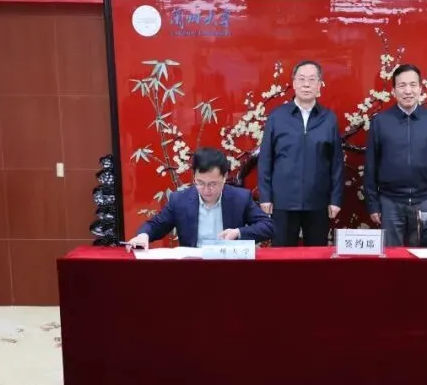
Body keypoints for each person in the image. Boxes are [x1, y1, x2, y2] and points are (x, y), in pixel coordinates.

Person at [258, 60, 344, 246]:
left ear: (319, 85)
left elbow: (336, 163)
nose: (306, 84)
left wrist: (335, 199)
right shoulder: (277, 116)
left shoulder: (329, 118)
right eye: (302, 79)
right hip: (283, 201)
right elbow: (265, 159)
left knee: (317, 255)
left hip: (318, 201)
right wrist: (265, 196)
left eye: (312, 80)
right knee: (282, 256)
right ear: (294, 83)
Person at [364, 64, 427, 246]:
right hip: (390, 201)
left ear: (420, 88)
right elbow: (371, 166)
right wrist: (373, 204)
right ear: (394, 91)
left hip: (426, 201)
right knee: (391, 256)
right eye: (402, 86)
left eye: (412, 85)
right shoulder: (380, 121)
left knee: (423, 255)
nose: (408, 91)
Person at [126, 147, 274, 249]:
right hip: (193, 267)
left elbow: (268, 227)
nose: (207, 190)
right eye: (200, 183)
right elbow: (156, 225)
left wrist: (238, 233)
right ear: (194, 176)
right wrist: (143, 235)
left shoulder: (240, 198)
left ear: (224, 177)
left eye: (213, 184)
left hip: (228, 265)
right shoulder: (180, 200)